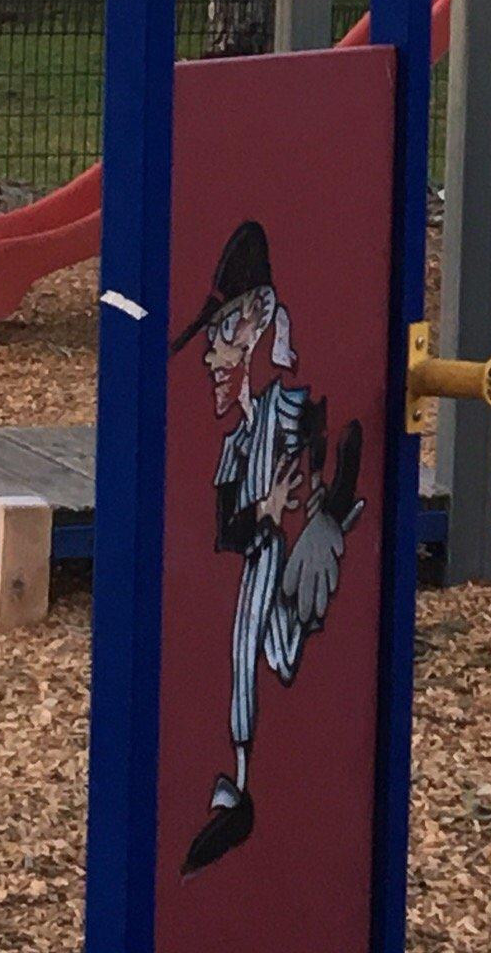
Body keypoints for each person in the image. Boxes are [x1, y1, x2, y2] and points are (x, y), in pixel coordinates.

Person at [169, 220, 363, 876]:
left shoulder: (291, 413)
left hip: (286, 566)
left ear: (259, 322)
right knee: (247, 629)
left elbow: (344, 433)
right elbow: (226, 528)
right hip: (264, 561)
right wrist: (265, 510)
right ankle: (242, 781)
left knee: (266, 629)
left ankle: (253, 781)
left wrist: (324, 505)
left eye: (224, 332)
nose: (212, 354)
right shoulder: (238, 443)